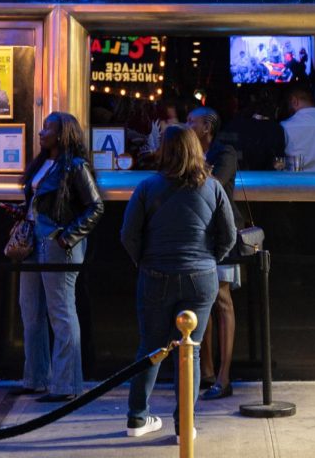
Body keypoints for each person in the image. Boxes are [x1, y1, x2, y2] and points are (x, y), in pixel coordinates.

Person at [121, 124, 236, 441]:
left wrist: (144, 262)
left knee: (150, 348)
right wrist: (208, 260)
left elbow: (128, 235)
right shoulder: (212, 187)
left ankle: (136, 419)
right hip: (201, 278)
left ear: (165, 151)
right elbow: (228, 236)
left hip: (156, 274)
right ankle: (184, 426)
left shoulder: (147, 187)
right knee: (192, 352)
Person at [10, 112, 103, 402]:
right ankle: (36, 379)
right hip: (32, 241)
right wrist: (21, 211)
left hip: (57, 244)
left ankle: (66, 385)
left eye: (48, 128)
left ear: (63, 134)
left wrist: (68, 236)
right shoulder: (43, 163)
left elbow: (96, 207)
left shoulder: (76, 166)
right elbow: (41, 203)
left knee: (60, 312)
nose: (41, 132)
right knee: (30, 309)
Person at [187, 107, 243, 401]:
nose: (187, 125)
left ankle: (224, 376)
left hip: (222, 232)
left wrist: (186, 164)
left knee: (222, 300)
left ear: (207, 126)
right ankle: (205, 372)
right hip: (197, 233)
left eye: (191, 121)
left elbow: (214, 185)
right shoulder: (190, 152)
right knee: (201, 301)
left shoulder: (225, 152)